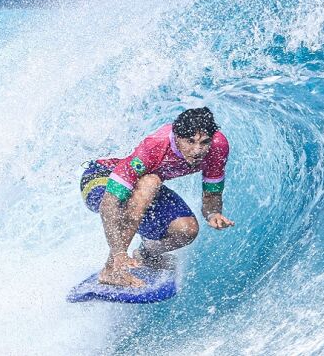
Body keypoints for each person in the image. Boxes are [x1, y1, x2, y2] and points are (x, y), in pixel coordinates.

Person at [79, 107, 234, 288]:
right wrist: (118, 252)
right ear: (177, 136)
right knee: (151, 181)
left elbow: (212, 195)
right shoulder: (156, 145)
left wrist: (213, 214)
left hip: (139, 187)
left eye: (204, 142)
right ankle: (111, 270)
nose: (198, 150)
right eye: (190, 142)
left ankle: (146, 255)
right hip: (100, 181)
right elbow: (109, 204)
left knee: (186, 229)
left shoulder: (217, 147)